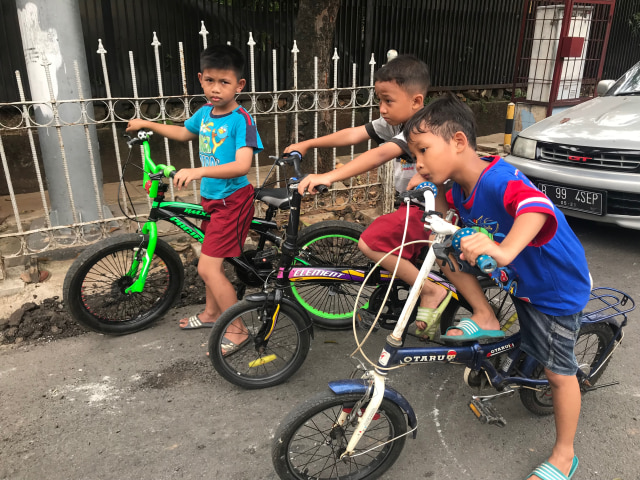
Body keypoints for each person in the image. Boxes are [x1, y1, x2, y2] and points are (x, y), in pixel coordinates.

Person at [403, 93, 591, 480]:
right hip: (517, 274)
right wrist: (433, 204)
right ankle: (485, 315)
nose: (418, 163)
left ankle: (565, 453)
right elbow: (446, 208)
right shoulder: (457, 184)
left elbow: (536, 209)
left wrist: (502, 251)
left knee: (559, 372)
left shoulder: (500, 179)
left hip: (550, 286)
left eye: (423, 151)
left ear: (458, 141)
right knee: (446, 251)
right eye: (414, 155)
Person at [287, 54, 455, 336]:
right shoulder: (394, 123)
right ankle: (419, 288)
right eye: (380, 100)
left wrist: (328, 176)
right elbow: (354, 134)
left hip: (431, 209)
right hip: (414, 205)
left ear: (415, 101)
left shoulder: (423, 125)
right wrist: (308, 143)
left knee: (371, 242)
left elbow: (380, 153)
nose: (382, 108)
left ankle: (429, 290)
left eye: (389, 100)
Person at [126, 44, 262, 355]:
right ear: (200, 79)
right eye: (210, 81)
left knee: (207, 268)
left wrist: (198, 170)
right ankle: (213, 314)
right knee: (207, 260)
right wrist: (148, 125)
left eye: (224, 83)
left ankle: (238, 330)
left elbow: (242, 165)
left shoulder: (241, 120)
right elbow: (185, 133)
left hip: (233, 201)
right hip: (212, 199)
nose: (216, 89)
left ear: (239, 85)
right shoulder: (204, 113)